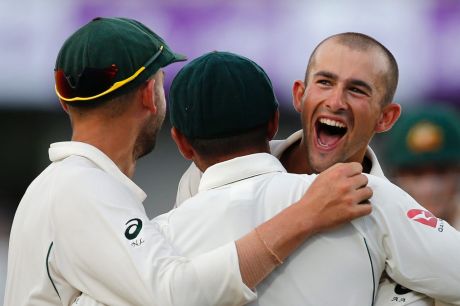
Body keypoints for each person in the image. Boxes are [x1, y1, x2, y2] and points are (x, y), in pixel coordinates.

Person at [4, 18, 373, 306]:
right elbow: (175, 296)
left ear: (66, 104)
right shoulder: (80, 187)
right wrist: (305, 214)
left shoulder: (67, 184)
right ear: (151, 95)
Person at [162, 51, 460, 305]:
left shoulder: (159, 240)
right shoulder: (358, 194)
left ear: (181, 142)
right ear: (273, 122)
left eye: (356, 89)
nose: (336, 101)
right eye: (326, 82)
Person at [384, 105, 460, 229]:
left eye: (441, 171)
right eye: (416, 174)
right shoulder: (384, 233)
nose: (430, 188)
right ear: (397, 177)